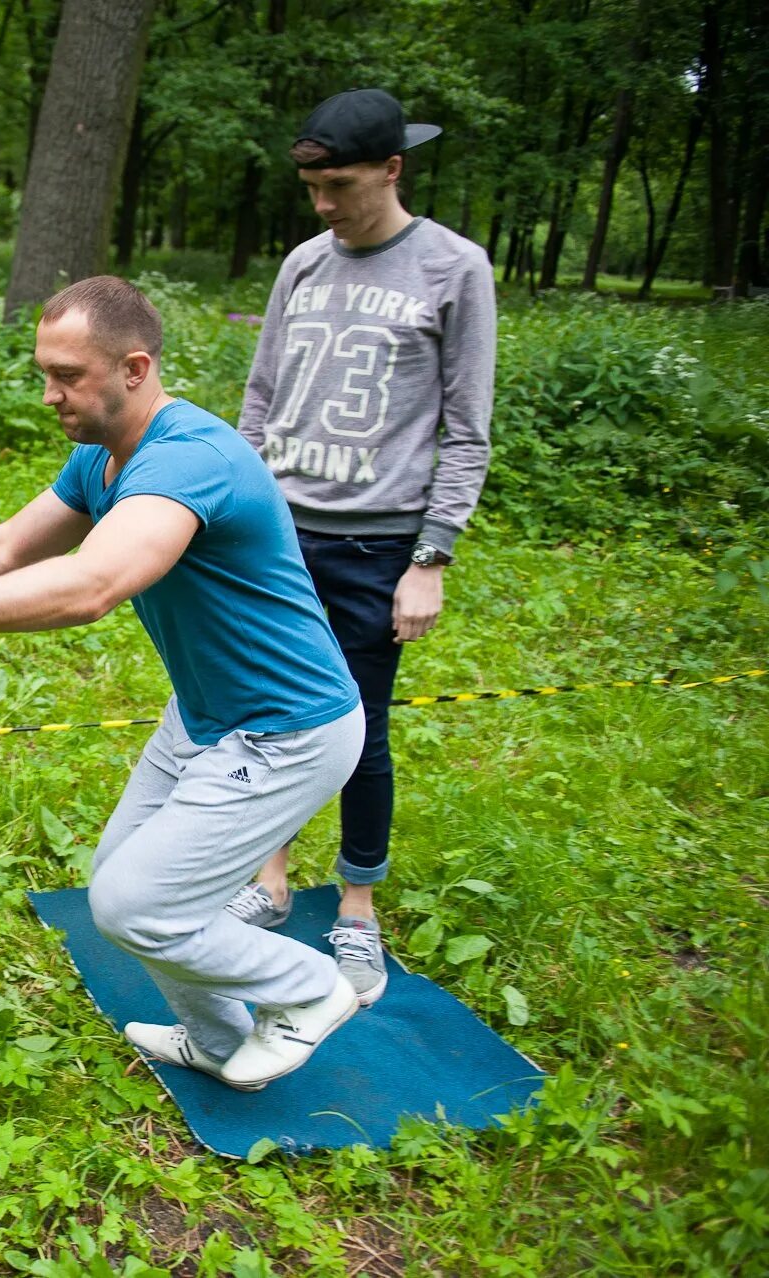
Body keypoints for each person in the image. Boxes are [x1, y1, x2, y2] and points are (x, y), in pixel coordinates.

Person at [0, 276, 363, 1090]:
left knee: (137, 907)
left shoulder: (188, 462)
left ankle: (313, 991)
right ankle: (215, 1039)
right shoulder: (103, 458)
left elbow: (92, 585)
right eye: (44, 372)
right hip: (205, 713)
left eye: (67, 376)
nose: (48, 395)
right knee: (125, 882)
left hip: (288, 729)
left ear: (135, 369)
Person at [227, 88, 495, 1006]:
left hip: (379, 547)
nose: (324, 206)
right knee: (266, 716)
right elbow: (259, 400)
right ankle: (269, 879)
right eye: (310, 187)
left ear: (392, 169)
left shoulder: (456, 269)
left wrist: (433, 558)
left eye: (339, 185)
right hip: (278, 534)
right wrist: (234, 508)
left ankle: (357, 911)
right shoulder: (303, 264)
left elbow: (466, 429)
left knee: (359, 732)